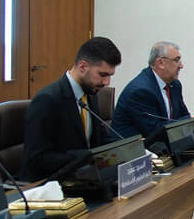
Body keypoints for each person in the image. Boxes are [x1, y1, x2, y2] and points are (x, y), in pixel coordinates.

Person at [21, 37, 122, 182]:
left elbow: (98, 140)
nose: (106, 82)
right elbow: (36, 159)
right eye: (102, 75)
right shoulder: (47, 100)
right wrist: (85, 157)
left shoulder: (90, 94)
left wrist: (125, 150)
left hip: (84, 178)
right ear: (82, 67)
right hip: (53, 184)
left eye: (110, 76)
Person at [112, 41, 190, 138]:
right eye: (176, 60)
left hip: (163, 143)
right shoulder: (141, 91)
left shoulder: (175, 85)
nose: (181, 66)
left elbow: (184, 117)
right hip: (137, 146)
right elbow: (155, 132)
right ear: (160, 63)